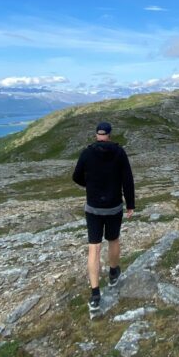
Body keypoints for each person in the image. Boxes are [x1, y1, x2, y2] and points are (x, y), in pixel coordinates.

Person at [72, 121, 135, 313]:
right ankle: (114, 273)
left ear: (96, 134)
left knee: (94, 248)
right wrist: (130, 204)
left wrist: (89, 184)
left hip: (93, 208)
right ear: (109, 134)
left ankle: (95, 294)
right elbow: (127, 179)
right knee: (113, 240)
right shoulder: (119, 152)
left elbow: (76, 176)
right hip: (114, 207)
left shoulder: (87, 153)